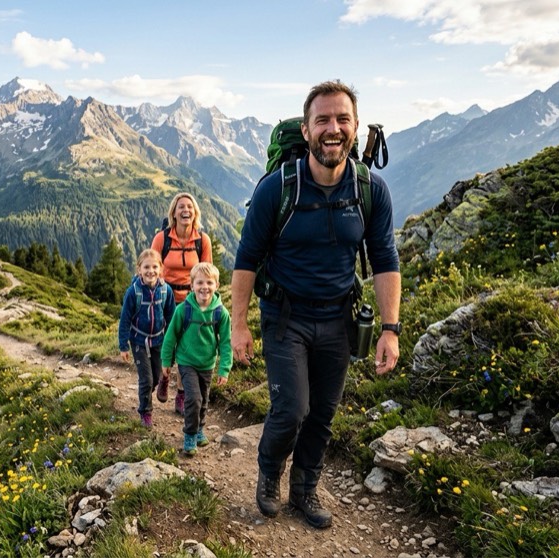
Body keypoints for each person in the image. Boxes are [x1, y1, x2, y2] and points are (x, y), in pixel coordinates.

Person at [231, 81, 401, 529]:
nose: (333, 128)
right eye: (323, 120)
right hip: (285, 317)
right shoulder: (277, 189)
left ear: (355, 127)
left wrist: (390, 328)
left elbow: (385, 258)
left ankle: (305, 489)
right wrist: (238, 325)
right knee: (292, 410)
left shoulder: (370, 191)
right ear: (306, 130)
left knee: (323, 413)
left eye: (342, 119)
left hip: (338, 318)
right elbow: (246, 259)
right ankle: (269, 473)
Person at [160, 262, 232, 456]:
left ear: (216, 285)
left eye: (209, 282)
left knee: (204, 400)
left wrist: (224, 368)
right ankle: (190, 434)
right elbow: (170, 337)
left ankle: (200, 428)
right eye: (199, 282)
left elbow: (225, 342)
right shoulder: (184, 309)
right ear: (192, 285)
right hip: (187, 362)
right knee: (194, 398)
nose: (204, 287)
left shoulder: (221, 313)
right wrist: (166, 361)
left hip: (207, 364)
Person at [151, 192, 213, 414]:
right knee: (167, 343)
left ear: (195, 212)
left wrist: (210, 303)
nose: (185, 210)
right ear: (174, 213)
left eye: (189, 207)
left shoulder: (202, 240)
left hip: (191, 300)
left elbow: (209, 274)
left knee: (186, 347)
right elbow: (153, 268)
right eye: (181, 207)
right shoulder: (162, 239)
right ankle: (164, 375)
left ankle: (181, 393)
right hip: (166, 299)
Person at [118, 249, 176, 428]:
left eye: (154, 267)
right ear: (139, 270)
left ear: (160, 269)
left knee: (156, 378)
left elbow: (171, 316)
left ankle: (154, 387)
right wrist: (123, 346)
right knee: (146, 380)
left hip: (158, 339)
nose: (150, 271)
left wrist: (172, 341)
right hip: (138, 341)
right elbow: (125, 319)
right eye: (146, 267)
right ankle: (145, 412)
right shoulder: (133, 292)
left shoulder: (166, 290)